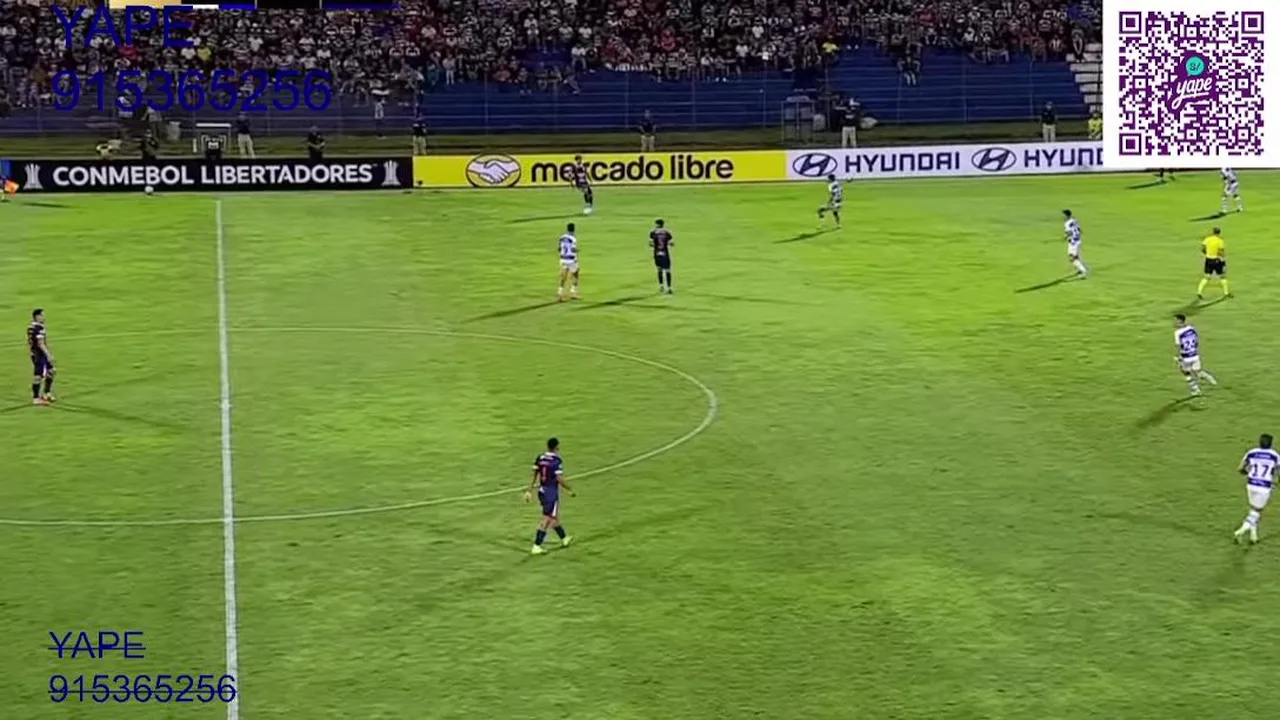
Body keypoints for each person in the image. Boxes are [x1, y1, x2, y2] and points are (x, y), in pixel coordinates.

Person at [525, 437, 575, 555]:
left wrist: (529, 490)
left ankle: (564, 538)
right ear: (557, 447)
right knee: (547, 518)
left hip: (542, 491)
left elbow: (534, 474)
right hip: (551, 493)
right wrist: (569, 489)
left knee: (553, 516)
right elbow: (559, 478)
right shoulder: (556, 460)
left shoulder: (540, 457)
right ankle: (537, 545)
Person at [1235, 434, 1280, 544]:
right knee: (1256, 512)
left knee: (1253, 510)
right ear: (1271, 443)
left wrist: (1247, 472)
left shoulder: (1251, 452)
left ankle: (1253, 536)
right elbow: (1278, 471)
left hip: (1251, 485)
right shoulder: (1274, 455)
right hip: (1264, 486)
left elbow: (1240, 468)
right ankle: (1241, 531)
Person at [1173, 313, 1217, 396]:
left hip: (1186, 356)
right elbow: (1196, 340)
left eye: (1175, 321)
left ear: (1179, 321)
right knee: (1198, 372)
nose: (1173, 323)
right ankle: (1209, 378)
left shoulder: (1178, 332)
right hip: (1194, 354)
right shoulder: (1191, 328)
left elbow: (1178, 346)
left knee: (1186, 372)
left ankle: (1195, 389)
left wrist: (1177, 356)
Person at [27, 308, 56, 405]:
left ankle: (47, 393)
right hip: (40, 355)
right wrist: (49, 355)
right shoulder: (38, 328)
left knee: (52, 371)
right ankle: (36, 398)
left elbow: (30, 341)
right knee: (38, 376)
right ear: (37, 316)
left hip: (37, 354)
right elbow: (41, 344)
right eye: (42, 315)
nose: (44, 317)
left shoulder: (31, 327)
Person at [1197, 227, 1229, 300]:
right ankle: (1226, 293)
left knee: (1206, 276)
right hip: (1217, 260)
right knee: (1222, 276)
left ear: (1213, 232)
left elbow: (1203, 248)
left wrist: (1207, 253)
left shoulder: (1207, 239)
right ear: (1219, 233)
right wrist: (1223, 259)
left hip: (1208, 260)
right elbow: (1221, 251)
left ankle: (1199, 292)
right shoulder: (1220, 241)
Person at [650, 219, 674, 294]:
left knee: (659, 269)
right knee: (667, 270)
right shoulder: (667, 232)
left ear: (657, 224)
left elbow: (651, 243)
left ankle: (661, 286)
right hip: (665, 254)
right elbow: (671, 243)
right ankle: (669, 288)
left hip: (657, 254)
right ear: (663, 224)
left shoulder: (653, 232)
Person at [558, 223, 580, 301]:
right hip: (571, 259)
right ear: (574, 229)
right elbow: (573, 249)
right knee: (576, 275)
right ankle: (573, 293)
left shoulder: (562, 237)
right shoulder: (573, 238)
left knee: (563, 276)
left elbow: (559, 249)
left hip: (563, 259)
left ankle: (560, 293)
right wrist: (577, 250)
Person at [1062, 209, 1087, 278]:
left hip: (1073, 242)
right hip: (1077, 240)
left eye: (1064, 215)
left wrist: (1065, 237)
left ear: (1067, 216)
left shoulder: (1067, 223)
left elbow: (1069, 232)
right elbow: (1079, 230)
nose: (1063, 217)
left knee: (1072, 258)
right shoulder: (1074, 220)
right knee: (1076, 257)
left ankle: (1083, 271)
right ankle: (1080, 269)